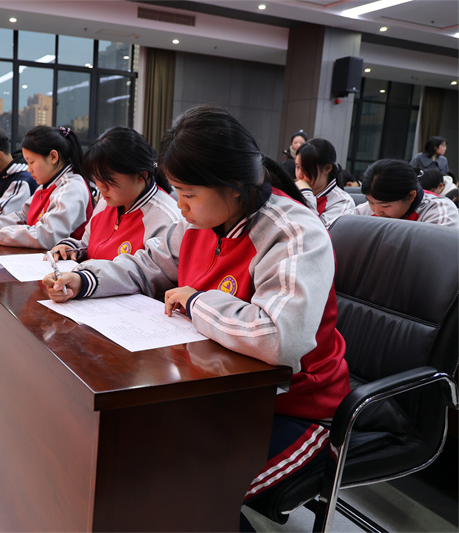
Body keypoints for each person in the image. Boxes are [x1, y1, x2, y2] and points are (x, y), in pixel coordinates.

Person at [43, 105, 350, 520]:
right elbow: (146, 265)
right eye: (177, 192)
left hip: (295, 408)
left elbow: (279, 337)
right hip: (217, 395)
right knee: (132, 464)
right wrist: (84, 280)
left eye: (188, 195)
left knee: (187, 491)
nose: (180, 206)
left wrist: (194, 301)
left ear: (234, 187)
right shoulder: (198, 223)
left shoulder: (292, 233)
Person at [50, 127, 181, 262]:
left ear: (141, 175)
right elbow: (87, 245)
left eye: (108, 179)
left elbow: (147, 272)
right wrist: (72, 248)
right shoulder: (106, 201)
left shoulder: (166, 221)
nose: (101, 187)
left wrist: (93, 271)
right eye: (97, 178)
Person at [0, 126, 93, 248]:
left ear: (53, 157)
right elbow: (23, 217)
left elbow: (47, 234)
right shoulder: (46, 184)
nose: (29, 169)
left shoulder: (71, 187)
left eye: (31, 162)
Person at [355, 159, 459, 227]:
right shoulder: (364, 211)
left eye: (386, 206)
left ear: (410, 196)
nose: (377, 212)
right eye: (371, 202)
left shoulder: (438, 210)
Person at [294, 138, 354, 228]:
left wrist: (306, 195)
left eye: (307, 169)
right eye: (297, 167)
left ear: (327, 168)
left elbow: (315, 231)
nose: (300, 175)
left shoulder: (343, 202)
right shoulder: (292, 191)